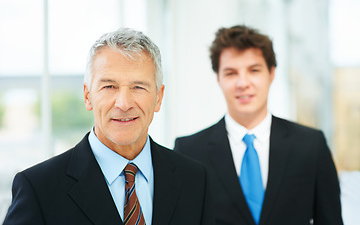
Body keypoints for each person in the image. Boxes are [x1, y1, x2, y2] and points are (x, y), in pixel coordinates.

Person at [4, 28, 215, 225]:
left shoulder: (195, 180)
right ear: (88, 97)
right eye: (109, 86)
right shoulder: (39, 188)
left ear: (158, 98)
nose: (123, 103)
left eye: (138, 86)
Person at [174, 25, 343, 225]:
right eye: (231, 73)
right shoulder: (189, 152)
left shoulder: (311, 146)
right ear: (218, 78)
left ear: (271, 74)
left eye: (254, 70)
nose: (243, 83)